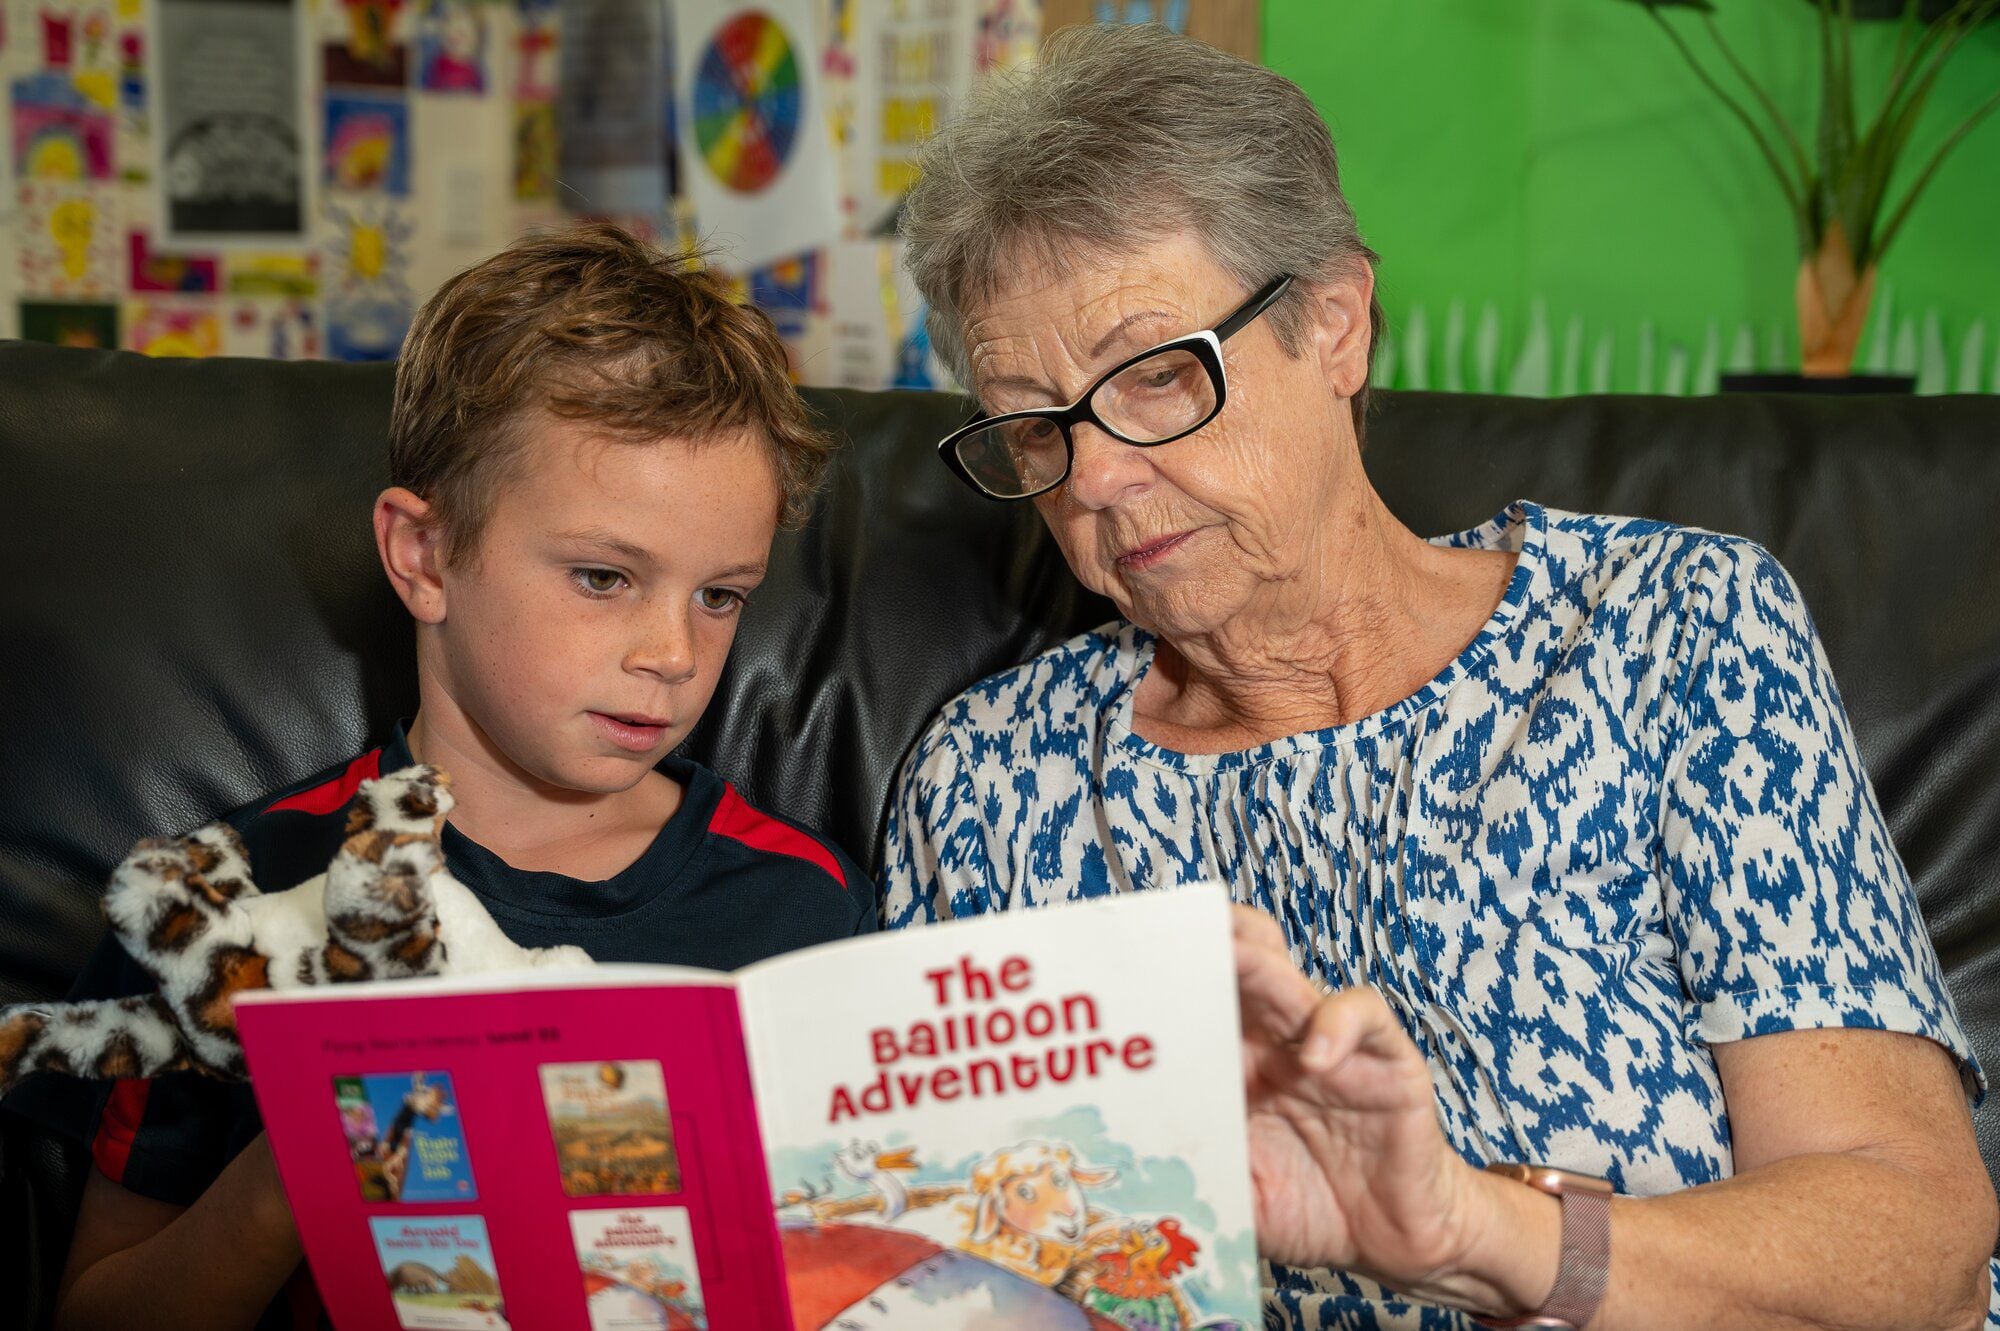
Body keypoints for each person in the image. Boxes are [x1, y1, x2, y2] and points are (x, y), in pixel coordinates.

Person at [880, 24, 1998, 1330]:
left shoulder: (1664, 631)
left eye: (1159, 377)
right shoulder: (988, 775)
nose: (1098, 477)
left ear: (1335, 325)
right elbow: (935, 1264)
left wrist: (1472, 1228)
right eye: (1035, 424)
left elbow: (1913, 1244)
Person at [12, 222, 876, 1331]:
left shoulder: (804, 903)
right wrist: (301, 1166)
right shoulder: (229, 897)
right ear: (423, 556)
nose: (672, 651)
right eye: (604, 576)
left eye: (720, 595)